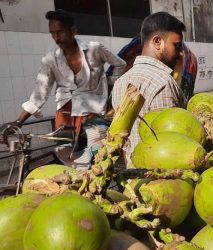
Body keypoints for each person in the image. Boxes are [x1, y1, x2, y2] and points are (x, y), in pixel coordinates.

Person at [0, 9, 126, 168]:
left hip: (93, 115)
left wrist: (110, 81)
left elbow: (120, 64)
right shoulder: (50, 59)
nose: (56, 38)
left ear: (73, 31)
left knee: (98, 157)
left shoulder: (95, 49)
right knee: (68, 161)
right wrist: (19, 121)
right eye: (52, 33)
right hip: (65, 118)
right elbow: (40, 93)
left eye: (59, 32)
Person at [112, 12, 186, 167]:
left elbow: (123, 146)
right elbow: (170, 147)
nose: (180, 53)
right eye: (176, 45)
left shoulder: (120, 82)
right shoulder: (163, 83)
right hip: (160, 182)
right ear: (157, 42)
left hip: (133, 180)